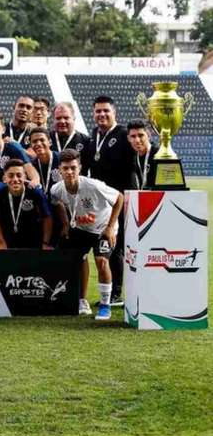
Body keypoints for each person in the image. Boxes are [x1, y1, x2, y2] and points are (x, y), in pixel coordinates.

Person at [51, 149, 123, 320]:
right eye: (65, 168)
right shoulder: (57, 188)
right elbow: (56, 203)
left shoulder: (93, 185)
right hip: (82, 229)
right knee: (79, 258)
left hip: (102, 228)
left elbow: (119, 198)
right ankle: (82, 301)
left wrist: (110, 227)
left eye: (73, 168)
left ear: (80, 168)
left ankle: (105, 305)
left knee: (102, 260)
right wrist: (66, 224)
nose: (69, 172)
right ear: (59, 170)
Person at [86, 96, 131, 306]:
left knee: (117, 246)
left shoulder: (123, 134)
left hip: (121, 200)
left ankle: (117, 293)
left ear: (114, 113)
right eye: (98, 111)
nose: (101, 115)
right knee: (106, 246)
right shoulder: (94, 134)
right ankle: (113, 291)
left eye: (106, 111)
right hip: (101, 202)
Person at [0, 159, 52, 250]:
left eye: (19, 175)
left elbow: (47, 218)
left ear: (25, 176)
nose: (15, 179)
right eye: (10, 176)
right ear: (4, 178)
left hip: (32, 238)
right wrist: (0, 241)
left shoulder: (35, 192)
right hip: (7, 238)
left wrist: (45, 242)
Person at [50, 102, 90, 169]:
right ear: (53, 120)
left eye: (66, 118)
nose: (62, 121)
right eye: (58, 118)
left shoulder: (85, 141)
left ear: (74, 118)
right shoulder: (47, 139)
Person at [29, 127, 62, 201]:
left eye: (42, 140)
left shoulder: (61, 159)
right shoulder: (32, 165)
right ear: (31, 145)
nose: (38, 143)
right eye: (34, 141)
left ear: (50, 142)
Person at [126, 119, 159, 190]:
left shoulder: (158, 154)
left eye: (141, 135)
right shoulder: (132, 157)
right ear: (128, 138)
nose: (137, 140)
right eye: (133, 136)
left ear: (149, 135)